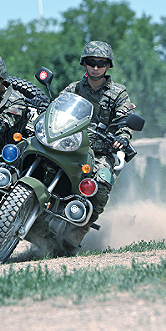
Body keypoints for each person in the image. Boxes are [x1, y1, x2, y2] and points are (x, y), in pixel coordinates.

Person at [61, 40, 136, 250]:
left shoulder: (118, 93)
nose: (96, 67)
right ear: (84, 64)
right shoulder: (73, 89)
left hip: (101, 152)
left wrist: (122, 137)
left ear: (108, 66)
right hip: (70, 146)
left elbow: (126, 120)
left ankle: (80, 229)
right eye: (91, 62)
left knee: (102, 183)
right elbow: (56, 111)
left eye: (101, 63)